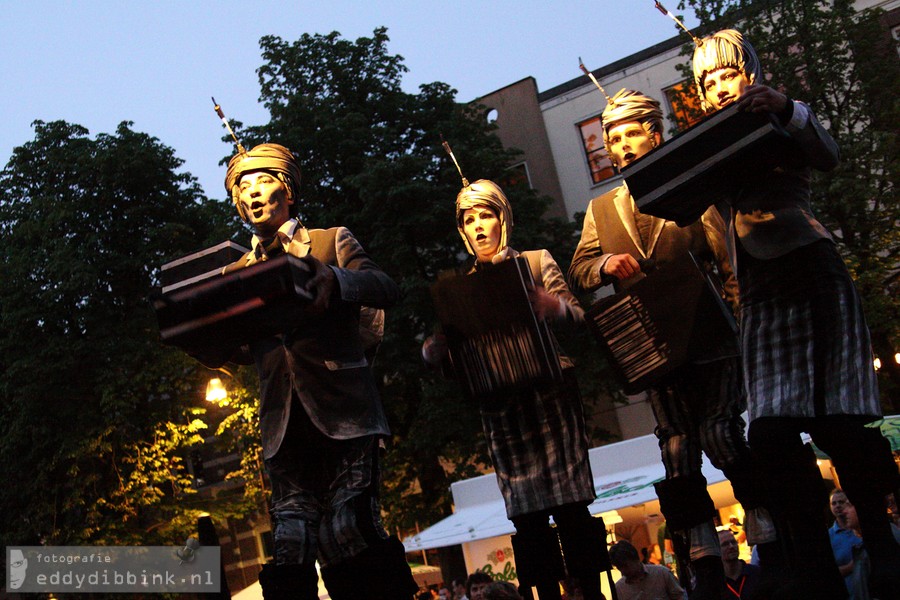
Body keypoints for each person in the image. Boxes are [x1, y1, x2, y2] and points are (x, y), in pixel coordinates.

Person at [692, 28, 900, 599]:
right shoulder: (711, 140)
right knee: (773, 432)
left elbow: (827, 152)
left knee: (842, 422)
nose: (716, 87)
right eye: (706, 80)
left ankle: (882, 548)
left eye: (726, 74)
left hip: (810, 268)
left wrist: (788, 108)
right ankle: (813, 561)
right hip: (758, 290)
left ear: (750, 74)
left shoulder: (781, 117)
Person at [567, 88, 772, 600]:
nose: (621, 145)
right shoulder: (603, 208)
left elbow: (728, 263)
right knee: (677, 452)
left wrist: (745, 326)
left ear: (653, 132)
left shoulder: (690, 184)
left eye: (630, 132)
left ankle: (770, 531)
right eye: (612, 137)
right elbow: (579, 269)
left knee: (722, 435)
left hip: (709, 337)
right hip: (654, 350)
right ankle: (701, 560)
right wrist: (604, 265)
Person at [197, 143, 416, 600]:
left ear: (289, 190)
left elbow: (384, 287)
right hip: (282, 424)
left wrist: (334, 279)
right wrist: (206, 344)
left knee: (349, 530)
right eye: (241, 186)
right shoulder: (233, 272)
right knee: (291, 547)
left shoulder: (330, 240)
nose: (251, 193)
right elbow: (245, 350)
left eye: (262, 181)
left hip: (346, 414)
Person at [423, 179, 607, 600]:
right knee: (526, 516)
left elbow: (579, 319)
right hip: (502, 409)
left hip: (551, 398)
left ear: (502, 218)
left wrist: (554, 306)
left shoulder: (536, 260)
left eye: (485, 215)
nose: (478, 227)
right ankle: (542, 593)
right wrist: (437, 354)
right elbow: (458, 360)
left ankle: (591, 593)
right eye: (469, 220)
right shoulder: (459, 288)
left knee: (571, 506)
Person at [609, 540, 684, 600]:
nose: (623, 571)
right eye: (619, 567)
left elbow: (679, 597)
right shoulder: (619, 589)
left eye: (625, 566)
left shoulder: (662, 573)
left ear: (635, 559)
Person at [830, 488, 864, 594]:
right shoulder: (830, 536)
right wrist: (851, 566)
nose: (837, 506)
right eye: (834, 503)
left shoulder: (860, 529)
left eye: (841, 502)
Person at [719, 528, 761, 599]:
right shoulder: (716, 583)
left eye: (733, 542)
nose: (731, 546)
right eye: (725, 544)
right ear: (717, 549)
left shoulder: (756, 573)